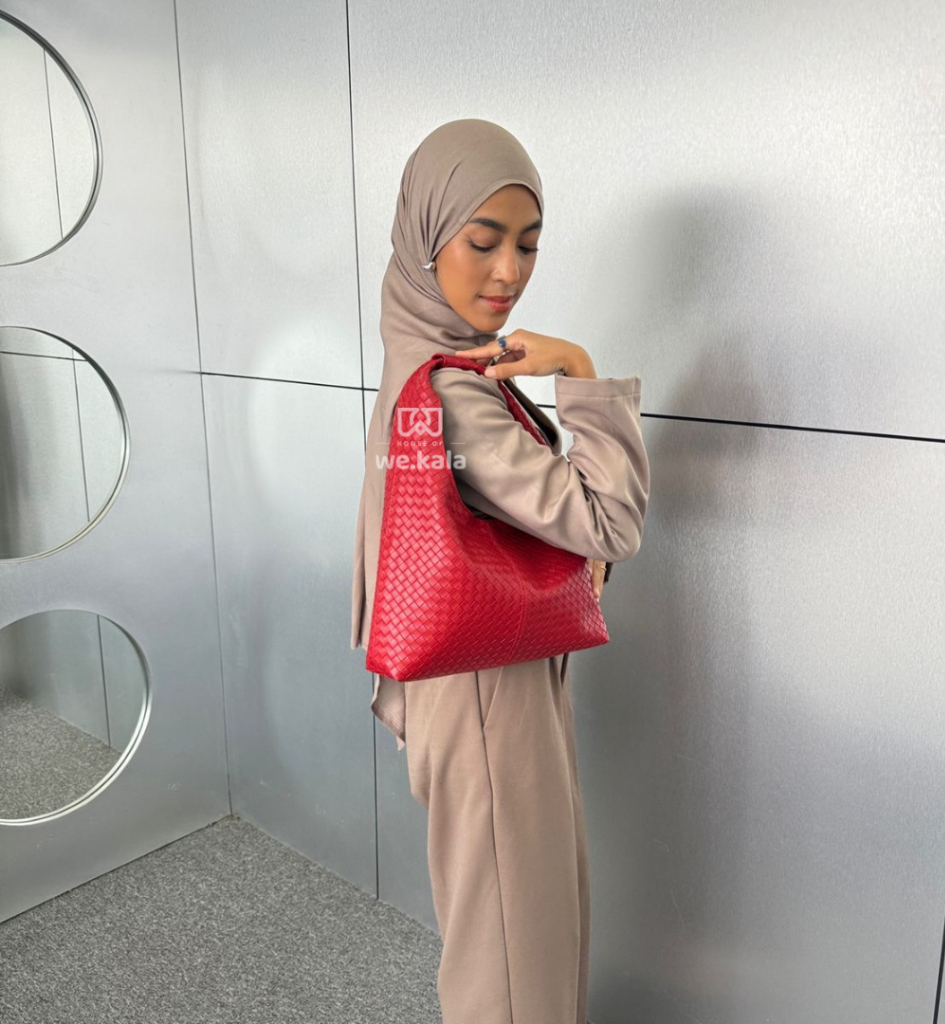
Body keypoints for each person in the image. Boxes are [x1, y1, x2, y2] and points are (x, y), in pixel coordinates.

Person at [350, 118, 651, 1024]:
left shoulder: (419, 358)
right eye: (482, 242)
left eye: (528, 243)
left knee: (512, 931)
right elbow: (610, 523)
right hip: (489, 694)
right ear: (426, 238)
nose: (509, 271)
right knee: (516, 955)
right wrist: (580, 372)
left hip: (471, 681)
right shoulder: (454, 389)